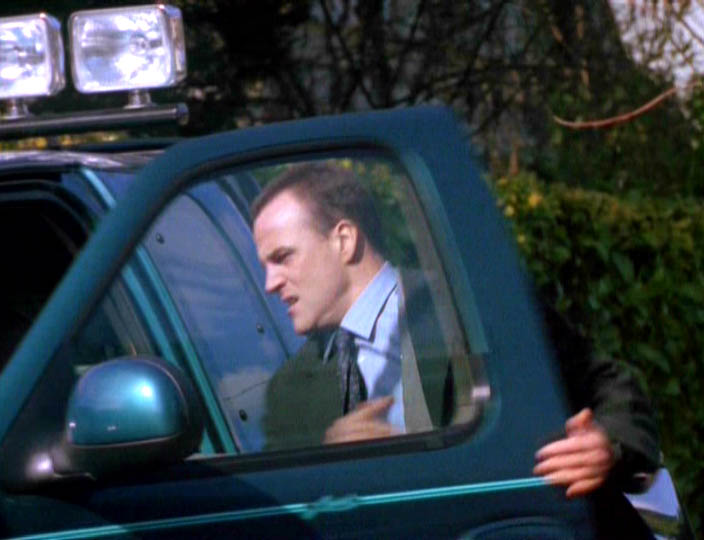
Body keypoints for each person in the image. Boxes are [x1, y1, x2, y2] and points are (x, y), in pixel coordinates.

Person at [251, 161, 659, 499]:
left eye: (282, 257)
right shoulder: (289, 390)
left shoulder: (475, 307)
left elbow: (608, 384)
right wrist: (331, 459)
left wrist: (607, 445)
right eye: (265, 266)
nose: (270, 283)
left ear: (343, 240)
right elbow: (279, 506)